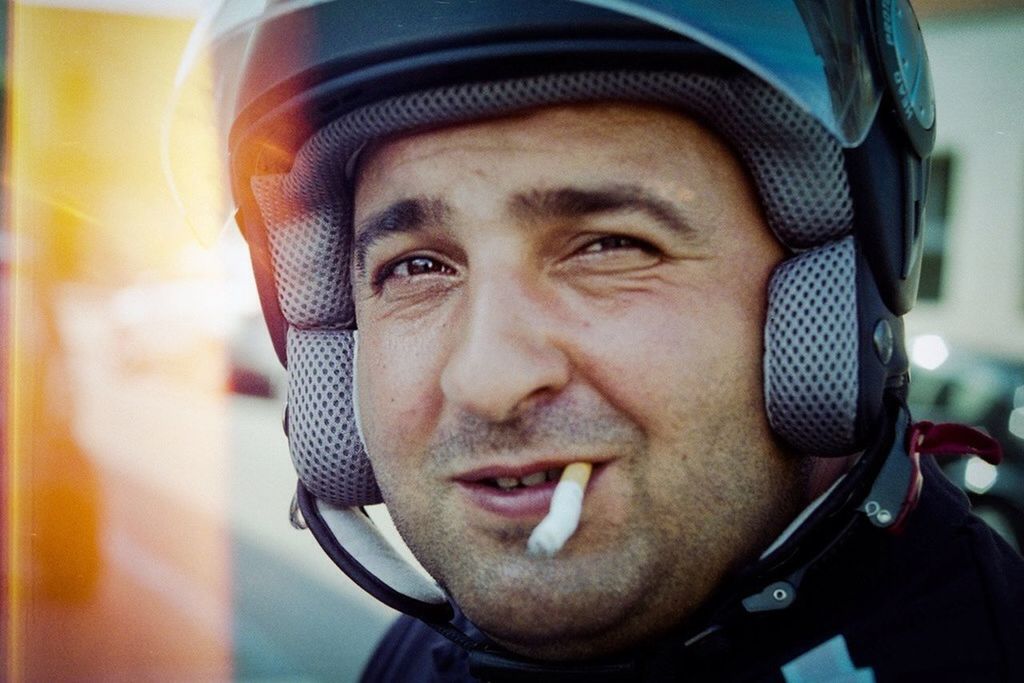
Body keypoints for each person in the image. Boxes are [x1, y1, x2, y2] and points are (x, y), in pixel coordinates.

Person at [195, 1, 1024, 680]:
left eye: (609, 246)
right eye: (416, 266)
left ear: (826, 305)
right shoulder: (416, 663)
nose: (489, 376)